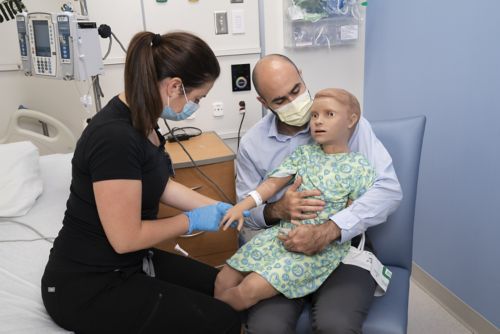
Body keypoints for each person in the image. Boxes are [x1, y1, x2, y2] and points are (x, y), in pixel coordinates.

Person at [41, 31, 241, 334]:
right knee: (223, 321)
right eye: (198, 97)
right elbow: (126, 238)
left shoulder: (143, 121)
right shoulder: (115, 138)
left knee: (222, 283)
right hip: (87, 285)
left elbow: (159, 184)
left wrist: (227, 209)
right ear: (175, 87)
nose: (197, 105)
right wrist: (190, 221)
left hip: (129, 263)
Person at [235, 54, 403, 333]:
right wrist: (278, 210)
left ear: (302, 77)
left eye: (296, 90)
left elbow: (388, 190)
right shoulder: (252, 144)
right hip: (283, 247)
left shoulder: (350, 125)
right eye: (280, 100)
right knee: (267, 328)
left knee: (335, 324)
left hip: (341, 246)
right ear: (263, 104)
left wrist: (330, 229)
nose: (294, 102)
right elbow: (246, 213)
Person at [215, 88, 376, 311]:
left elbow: (354, 216)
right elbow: (271, 184)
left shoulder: (361, 168)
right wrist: (242, 205)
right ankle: (217, 321)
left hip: (319, 247)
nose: (318, 121)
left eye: (329, 114)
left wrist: (321, 233)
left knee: (249, 289)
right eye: (314, 115)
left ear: (352, 120)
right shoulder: (304, 154)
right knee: (222, 279)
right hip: (280, 235)